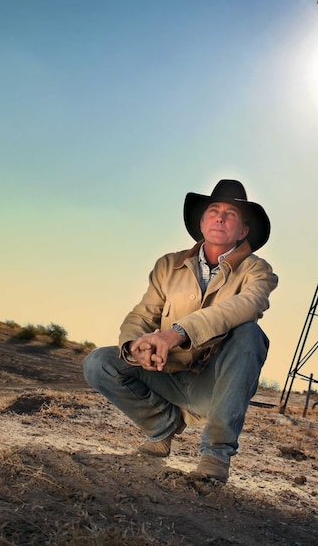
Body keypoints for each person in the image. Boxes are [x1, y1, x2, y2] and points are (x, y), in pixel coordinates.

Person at [83, 179, 278, 483]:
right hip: (165, 374)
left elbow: (247, 305)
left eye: (231, 214)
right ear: (202, 222)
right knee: (99, 362)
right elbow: (143, 313)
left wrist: (176, 332)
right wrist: (136, 346)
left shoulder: (258, 271)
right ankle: (163, 427)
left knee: (251, 335)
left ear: (242, 231)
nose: (220, 217)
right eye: (214, 211)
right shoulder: (168, 265)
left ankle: (215, 454)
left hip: (212, 388)